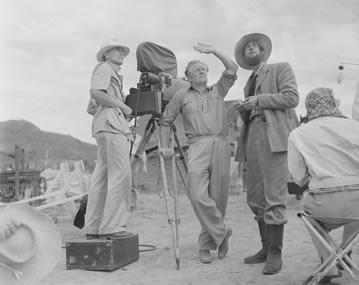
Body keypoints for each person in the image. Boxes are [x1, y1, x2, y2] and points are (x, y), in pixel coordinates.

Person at [160, 43, 238, 263]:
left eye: (204, 68)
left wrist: (214, 51)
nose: (202, 71)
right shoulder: (181, 96)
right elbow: (165, 120)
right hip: (197, 145)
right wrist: (165, 146)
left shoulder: (219, 89)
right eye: (197, 69)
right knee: (196, 193)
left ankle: (207, 244)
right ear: (188, 76)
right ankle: (222, 231)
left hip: (222, 144)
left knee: (218, 198)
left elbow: (232, 68)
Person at [234, 33, 299, 274]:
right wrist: (244, 109)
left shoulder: (280, 68)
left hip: (274, 138)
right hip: (253, 137)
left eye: (254, 45)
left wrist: (258, 100)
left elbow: (292, 98)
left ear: (263, 51)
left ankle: (275, 254)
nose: (250, 47)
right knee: (255, 197)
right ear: (244, 58)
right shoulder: (247, 82)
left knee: (274, 195)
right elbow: (252, 110)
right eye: (246, 47)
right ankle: (265, 247)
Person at [288, 87, 359, 284]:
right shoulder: (355, 126)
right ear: (333, 103)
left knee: (307, 214)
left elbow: (299, 178)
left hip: (326, 204)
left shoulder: (298, 134)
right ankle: (345, 250)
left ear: (309, 107)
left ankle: (329, 266)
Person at [84, 39, 133, 239]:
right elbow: (95, 92)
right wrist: (121, 107)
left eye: (123, 50)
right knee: (121, 174)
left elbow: (91, 107)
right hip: (112, 127)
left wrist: (113, 106)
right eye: (117, 50)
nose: (122, 52)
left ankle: (93, 227)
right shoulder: (105, 68)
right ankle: (112, 226)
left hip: (105, 125)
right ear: (106, 53)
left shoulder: (111, 74)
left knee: (101, 178)